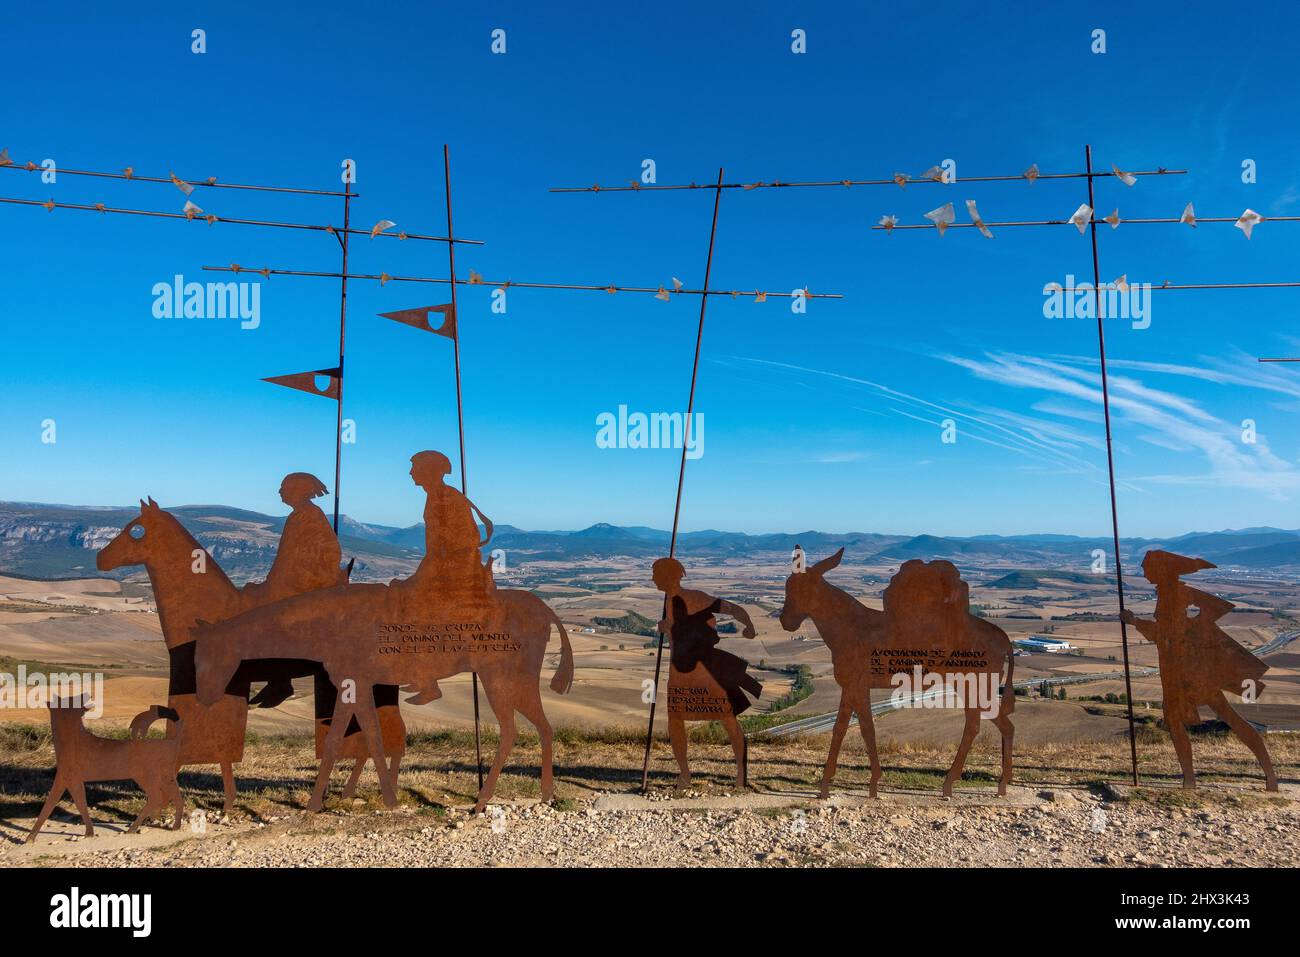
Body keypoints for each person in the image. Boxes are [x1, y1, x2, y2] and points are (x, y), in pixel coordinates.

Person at [1123, 550, 1277, 791]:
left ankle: (1193, 780)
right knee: (1220, 716)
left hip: (1186, 671)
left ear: (1160, 568)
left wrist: (1188, 629)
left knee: (1204, 718)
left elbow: (1177, 627)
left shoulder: (1178, 593)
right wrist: (1138, 623)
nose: (1143, 572)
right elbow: (1166, 632)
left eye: (1146, 567)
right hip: (1178, 669)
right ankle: (1262, 775)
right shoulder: (1167, 593)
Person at [652, 557, 761, 789]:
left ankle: (739, 776)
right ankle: (685, 776)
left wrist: (749, 625)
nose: (652, 579)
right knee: (677, 720)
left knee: (727, 719)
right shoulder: (670, 601)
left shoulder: (697, 598)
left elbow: (732, 609)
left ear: (666, 576)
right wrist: (667, 627)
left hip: (704, 670)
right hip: (680, 670)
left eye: (655, 574)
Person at [242, 472, 346, 708]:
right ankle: (275, 677)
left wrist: (280, 584)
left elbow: (323, 554)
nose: (280, 492)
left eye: (283, 487)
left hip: (307, 584)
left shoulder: (309, 516)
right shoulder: (298, 516)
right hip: (291, 582)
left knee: (266, 616)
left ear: (297, 490)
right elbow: (285, 558)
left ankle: (280, 679)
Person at [402, 451, 493, 605]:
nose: (410, 472)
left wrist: (419, 579)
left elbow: (447, 548)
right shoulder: (436, 495)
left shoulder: (446, 498)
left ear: (429, 470)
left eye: (415, 467)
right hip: (446, 568)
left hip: (455, 572)